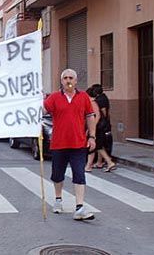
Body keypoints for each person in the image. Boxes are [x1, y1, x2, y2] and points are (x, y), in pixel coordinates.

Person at [43, 69, 97, 220]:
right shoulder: (54, 97)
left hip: (78, 143)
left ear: (76, 81)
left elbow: (90, 116)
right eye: (65, 78)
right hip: (59, 143)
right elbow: (42, 110)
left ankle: (79, 207)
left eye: (71, 78)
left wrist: (92, 136)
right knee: (57, 174)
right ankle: (58, 199)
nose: (68, 80)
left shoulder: (83, 97)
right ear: (61, 81)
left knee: (79, 174)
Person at [84, 87, 101, 172]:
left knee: (91, 146)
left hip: (94, 127)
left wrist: (92, 127)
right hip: (90, 127)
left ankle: (89, 165)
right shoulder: (89, 102)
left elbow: (97, 115)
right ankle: (90, 164)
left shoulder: (92, 103)